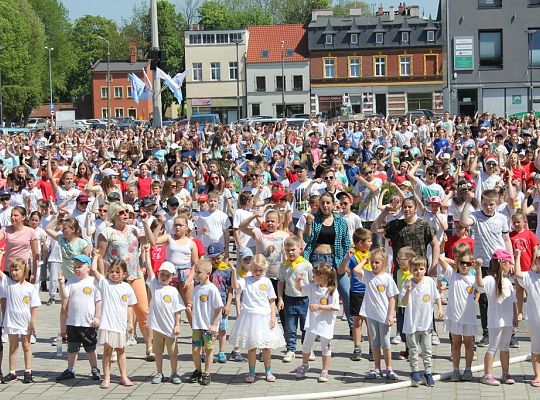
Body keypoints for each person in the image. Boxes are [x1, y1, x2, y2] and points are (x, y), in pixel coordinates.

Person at [97, 202, 152, 360]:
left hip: (135, 275)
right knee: (116, 315)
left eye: (127, 211)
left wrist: (145, 222)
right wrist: (103, 277)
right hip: (116, 279)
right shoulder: (106, 233)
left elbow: (149, 241)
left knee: (143, 312)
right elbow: (100, 256)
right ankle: (113, 348)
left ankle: (149, 346)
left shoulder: (134, 229)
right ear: (114, 215)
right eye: (121, 212)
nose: (126, 214)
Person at [460, 189, 513, 347]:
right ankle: (487, 333)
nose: (488, 207)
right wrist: (468, 203)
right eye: (485, 204)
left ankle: (509, 333)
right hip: (482, 263)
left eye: (491, 204)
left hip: (499, 262)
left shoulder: (502, 218)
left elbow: (506, 239)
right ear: (481, 203)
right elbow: (463, 222)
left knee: (503, 295)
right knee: (484, 299)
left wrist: (509, 260)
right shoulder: (476, 216)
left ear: (496, 203)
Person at [228, 254, 285, 383]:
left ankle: (268, 371)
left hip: (264, 317)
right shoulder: (246, 280)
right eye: (255, 269)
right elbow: (236, 286)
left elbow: (271, 300)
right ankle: (252, 372)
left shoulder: (266, 282)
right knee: (252, 346)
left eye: (260, 270)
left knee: (266, 347)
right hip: (250, 318)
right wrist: (233, 271)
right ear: (251, 268)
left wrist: (273, 317)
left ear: (264, 269)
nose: (257, 272)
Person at [303, 192, 352, 330]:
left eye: (328, 202)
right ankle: (314, 328)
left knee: (346, 292)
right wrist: (308, 223)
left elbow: (347, 243)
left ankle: (353, 327)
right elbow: (307, 240)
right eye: (322, 203)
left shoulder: (341, 221)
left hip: (335, 259)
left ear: (333, 204)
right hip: (316, 259)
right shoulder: (314, 219)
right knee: (315, 294)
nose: (325, 205)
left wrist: (346, 262)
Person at [90, 252, 136, 389]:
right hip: (107, 324)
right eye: (111, 271)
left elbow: (130, 307)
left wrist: (131, 323)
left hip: (120, 325)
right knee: (107, 351)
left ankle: (123, 376)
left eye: (117, 272)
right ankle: (107, 377)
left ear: (124, 274)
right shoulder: (105, 283)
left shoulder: (127, 288)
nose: (114, 274)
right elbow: (93, 270)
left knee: (121, 350)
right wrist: (97, 257)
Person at [353, 248, 399, 381]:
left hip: (384, 315)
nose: (373, 265)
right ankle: (377, 368)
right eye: (372, 262)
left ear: (383, 263)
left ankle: (389, 368)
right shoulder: (368, 275)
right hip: (371, 314)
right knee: (375, 343)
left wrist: (391, 315)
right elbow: (356, 270)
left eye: (377, 262)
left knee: (385, 343)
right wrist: (365, 261)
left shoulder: (387, 278)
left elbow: (392, 298)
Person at [438, 250, 483, 382]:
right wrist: (453, 261)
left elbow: (480, 286)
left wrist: (478, 268)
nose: (464, 266)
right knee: (456, 345)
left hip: (468, 318)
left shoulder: (473, 278)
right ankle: (456, 370)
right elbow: (440, 259)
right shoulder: (452, 275)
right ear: (458, 263)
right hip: (454, 317)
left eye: (468, 263)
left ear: (471, 265)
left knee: (469, 345)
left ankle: (468, 370)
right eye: (462, 263)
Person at [55, 255, 102, 382]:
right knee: (72, 348)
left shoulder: (93, 281)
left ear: (88, 267)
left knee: (90, 347)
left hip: (88, 322)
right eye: (75, 267)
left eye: (80, 267)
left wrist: (98, 317)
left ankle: (94, 368)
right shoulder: (71, 281)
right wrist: (61, 284)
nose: (76, 269)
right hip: (72, 322)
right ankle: (70, 369)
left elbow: (98, 301)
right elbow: (65, 296)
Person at [477, 250, 518, 386]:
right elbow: (479, 286)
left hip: (507, 320)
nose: (511, 266)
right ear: (503, 264)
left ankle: (505, 373)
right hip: (495, 320)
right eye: (509, 263)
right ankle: (487, 375)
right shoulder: (489, 279)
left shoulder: (507, 281)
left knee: (505, 347)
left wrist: (515, 317)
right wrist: (478, 268)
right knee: (493, 347)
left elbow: (513, 301)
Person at [143, 252, 185, 385]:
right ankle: (159, 372)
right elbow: (149, 269)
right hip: (157, 327)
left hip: (170, 327)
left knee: (173, 353)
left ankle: (174, 373)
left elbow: (177, 309)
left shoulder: (173, 291)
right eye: (162, 274)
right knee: (158, 352)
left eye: (167, 275)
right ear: (158, 274)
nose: (164, 277)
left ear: (172, 277)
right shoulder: (154, 285)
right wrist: (146, 251)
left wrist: (177, 324)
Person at [400, 256, 443, 387]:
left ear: (425, 269)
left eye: (421, 269)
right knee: (413, 350)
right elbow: (403, 302)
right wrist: (408, 291)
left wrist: (440, 309)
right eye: (415, 269)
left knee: (427, 349)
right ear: (411, 270)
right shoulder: (408, 282)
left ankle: (428, 372)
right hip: (412, 323)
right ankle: (414, 372)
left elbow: (436, 297)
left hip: (426, 323)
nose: (418, 272)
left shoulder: (429, 281)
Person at [293, 263, 340, 383]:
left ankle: (324, 370)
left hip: (326, 325)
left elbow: (335, 307)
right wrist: (298, 282)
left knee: (326, 348)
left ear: (322, 276)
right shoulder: (313, 287)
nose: (312, 277)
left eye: (314, 275)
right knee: (306, 345)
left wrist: (319, 307)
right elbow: (300, 289)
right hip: (312, 323)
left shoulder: (332, 291)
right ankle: (304, 364)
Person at [0, 258, 40, 384]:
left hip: (25, 320)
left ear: (24, 270)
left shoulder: (30, 288)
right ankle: (12, 372)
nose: (14, 273)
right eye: (12, 270)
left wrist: (32, 321)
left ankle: (28, 371)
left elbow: (34, 306)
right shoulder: (8, 283)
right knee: (13, 346)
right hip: (11, 320)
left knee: (26, 346)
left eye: (16, 270)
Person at [187, 259, 224, 386]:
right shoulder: (196, 288)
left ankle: (207, 373)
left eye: (199, 273)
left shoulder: (212, 289)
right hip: (197, 326)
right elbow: (195, 304)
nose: (196, 275)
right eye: (195, 272)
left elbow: (219, 308)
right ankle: (198, 370)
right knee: (195, 349)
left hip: (209, 327)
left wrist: (214, 324)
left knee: (208, 350)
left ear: (208, 273)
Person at [277, 236, 313, 363]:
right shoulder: (283, 265)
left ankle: (307, 348)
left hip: (304, 300)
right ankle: (290, 349)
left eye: (293, 249)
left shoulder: (307, 265)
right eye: (287, 250)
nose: (290, 252)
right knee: (290, 327)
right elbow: (281, 282)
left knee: (306, 327)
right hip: (289, 299)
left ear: (300, 249)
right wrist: (280, 299)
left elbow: (313, 283)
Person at [337, 227, 371, 361]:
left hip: (370, 291)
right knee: (357, 321)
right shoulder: (352, 255)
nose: (371, 243)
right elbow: (340, 271)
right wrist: (346, 259)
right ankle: (357, 347)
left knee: (370, 322)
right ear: (360, 243)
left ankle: (372, 348)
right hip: (356, 291)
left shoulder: (372, 255)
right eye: (369, 241)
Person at [514, 249, 540, 387]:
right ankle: (537, 376)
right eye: (539, 259)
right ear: (536, 261)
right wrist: (517, 257)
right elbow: (518, 274)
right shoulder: (531, 276)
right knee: (536, 347)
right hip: (535, 319)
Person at [206, 242, 233, 364]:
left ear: (223, 255)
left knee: (222, 329)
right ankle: (207, 350)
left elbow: (230, 288)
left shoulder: (226, 270)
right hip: (209, 304)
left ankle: (222, 352)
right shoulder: (208, 270)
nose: (215, 261)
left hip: (222, 303)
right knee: (209, 329)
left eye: (217, 257)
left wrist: (228, 304)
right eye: (212, 258)